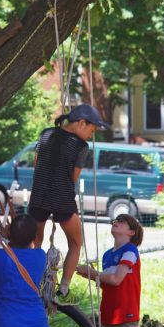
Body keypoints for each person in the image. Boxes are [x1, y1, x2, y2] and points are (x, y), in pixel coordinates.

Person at [28, 103, 109, 303]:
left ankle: (31, 282)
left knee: (35, 243)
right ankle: (63, 288)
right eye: (91, 129)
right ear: (81, 123)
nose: (91, 135)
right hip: (62, 198)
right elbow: (73, 177)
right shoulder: (81, 146)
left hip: (39, 196)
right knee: (75, 243)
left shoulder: (46, 134)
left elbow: (37, 164)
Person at [77, 214, 144, 327]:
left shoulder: (130, 250)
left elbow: (115, 279)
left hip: (126, 315)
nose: (116, 222)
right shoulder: (107, 254)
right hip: (108, 314)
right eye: (115, 220)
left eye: (122, 222)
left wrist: (92, 273)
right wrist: (90, 274)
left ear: (131, 232)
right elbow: (109, 285)